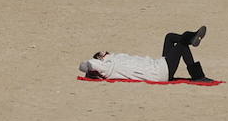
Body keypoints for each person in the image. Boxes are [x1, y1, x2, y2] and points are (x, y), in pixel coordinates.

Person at [79, 26, 214, 83]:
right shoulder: (108, 66)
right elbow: (86, 65)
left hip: (159, 65)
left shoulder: (113, 60)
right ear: (101, 58)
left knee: (170, 37)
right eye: (101, 53)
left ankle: (192, 38)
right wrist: (96, 61)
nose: (105, 51)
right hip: (160, 71)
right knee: (183, 43)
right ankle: (198, 75)